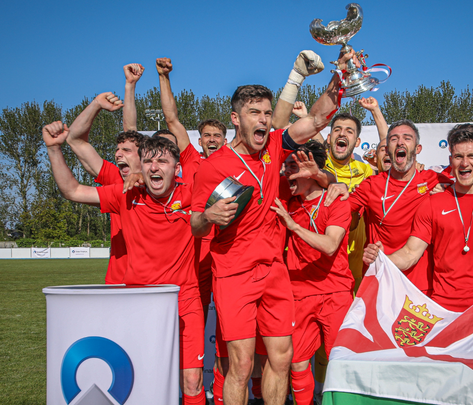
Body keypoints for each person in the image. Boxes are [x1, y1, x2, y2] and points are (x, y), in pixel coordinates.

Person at [190, 50, 351, 405]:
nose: (263, 120)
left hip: (274, 272)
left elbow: (318, 119)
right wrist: (208, 217)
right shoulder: (213, 167)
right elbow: (195, 225)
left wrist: (339, 78)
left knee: (281, 359)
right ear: (236, 118)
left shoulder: (275, 146)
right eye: (254, 113)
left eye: (266, 113)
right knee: (243, 365)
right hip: (234, 275)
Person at [44, 123, 206, 404]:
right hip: (138, 303)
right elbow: (72, 190)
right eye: (149, 161)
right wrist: (54, 149)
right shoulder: (125, 194)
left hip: (184, 300)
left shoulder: (191, 194)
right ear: (141, 168)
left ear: (176, 169)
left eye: (163, 161)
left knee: (192, 380)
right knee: (141, 378)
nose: (155, 167)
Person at [364, 123, 473, 312]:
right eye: (458, 157)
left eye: (471, 156)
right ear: (451, 160)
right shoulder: (432, 202)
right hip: (442, 310)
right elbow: (410, 253)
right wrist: (382, 258)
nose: (465, 163)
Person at [270, 141, 354, 405]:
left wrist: (292, 226)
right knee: (297, 363)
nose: (287, 173)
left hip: (335, 293)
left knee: (340, 363)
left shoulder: (338, 201)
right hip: (299, 293)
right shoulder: (287, 201)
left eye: (294, 167)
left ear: (312, 170)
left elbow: (330, 246)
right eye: (286, 166)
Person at [64, 90, 143, 284]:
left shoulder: (163, 185)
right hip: (118, 281)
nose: (117, 154)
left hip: (154, 283)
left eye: (125, 150)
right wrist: (96, 104)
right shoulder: (115, 178)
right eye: (117, 150)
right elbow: (75, 140)